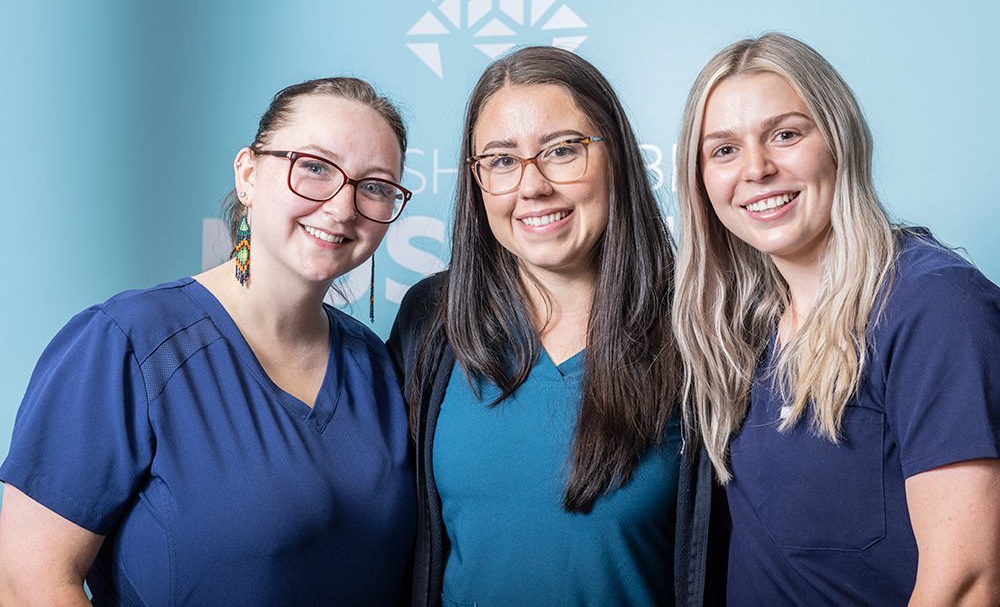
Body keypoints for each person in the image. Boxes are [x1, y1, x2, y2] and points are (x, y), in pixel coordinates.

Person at [0, 77, 416, 605]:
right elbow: (27, 580)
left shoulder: (375, 366)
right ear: (247, 173)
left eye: (375, 185)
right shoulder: (127, 343)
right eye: (313, 167)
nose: (342, 206)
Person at [389, 46, 728, 607]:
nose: (532, 186)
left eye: (562, 150)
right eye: (500, 160)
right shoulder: (432, 320)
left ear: (615, 155)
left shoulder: (697, 325)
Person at [672, 32, 1000, 605]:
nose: (757, 168)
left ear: (840, 141)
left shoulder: (933, 307)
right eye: (723, 150)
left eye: (786, 134)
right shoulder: (738, 329)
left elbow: (966, 583)